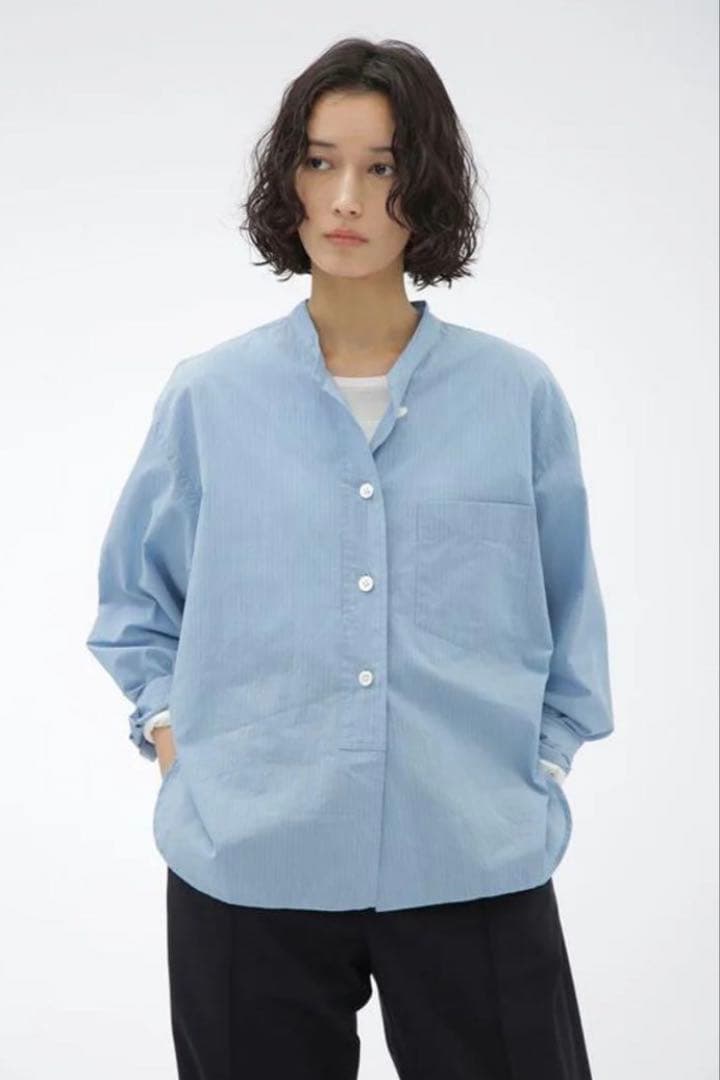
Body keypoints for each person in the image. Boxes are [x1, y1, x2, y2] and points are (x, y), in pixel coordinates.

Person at [86, 36, 614, 1080]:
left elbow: (569, 615)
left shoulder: (515, 396)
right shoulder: (209, 397)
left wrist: (541, 763)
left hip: (472, 856)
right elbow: (137, 607)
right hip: (250, 864)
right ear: (286, 179)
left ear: (430, 186)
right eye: (320, 162)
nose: (346, 199)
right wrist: (178, 740)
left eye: (382, 168)